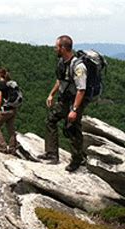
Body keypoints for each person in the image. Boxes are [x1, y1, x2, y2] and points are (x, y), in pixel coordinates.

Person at [38, 35, 88, 172]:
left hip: (75, 102)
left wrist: (75, 110)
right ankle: (52, 154)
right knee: (50, 120)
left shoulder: (79, 67)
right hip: (64, 100)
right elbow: (60, 81)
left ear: (63, 48)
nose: (55, 49)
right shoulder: (62, 62)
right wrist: (51, 94)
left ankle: (77, 160)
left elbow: (81, 90)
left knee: (72, 128)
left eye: (57, 47)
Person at [0, 67, 18, 154]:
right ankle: (12, 148)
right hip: (13, 109)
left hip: (6, 110)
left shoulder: (1, 84)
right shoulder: (9, 83)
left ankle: (3, 146)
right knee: (10, 129)